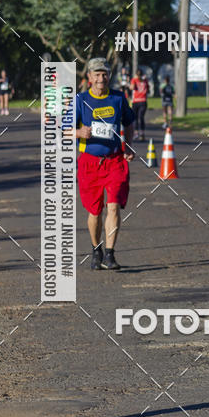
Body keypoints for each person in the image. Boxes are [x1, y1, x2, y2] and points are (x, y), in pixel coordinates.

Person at [70, 57, 135, 271]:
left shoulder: (118, 97)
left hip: (114, 160)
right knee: (95, 212)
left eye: (104, 74)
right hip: (89, 163)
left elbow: (129, 122)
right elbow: (63, 128)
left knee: (114, 206)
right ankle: (95, 249)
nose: (101, 78)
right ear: (89, 77)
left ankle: (110, 254)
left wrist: (129, 146)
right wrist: (79, 132)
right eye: (96, 74)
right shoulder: (80, 99)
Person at [130, 67, 149, 141]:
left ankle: (138, 133)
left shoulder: (135, 80)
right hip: (140, 101)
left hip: (139, 101)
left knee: (137, 117)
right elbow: (147, 89)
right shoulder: (144, 80)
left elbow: (131, 88)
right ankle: (140, 133)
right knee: (140, 117)